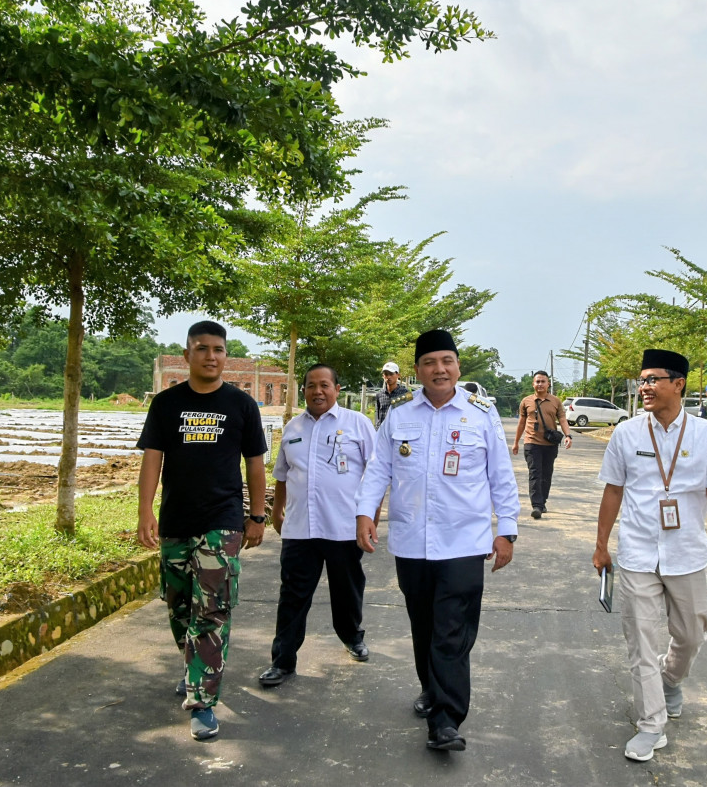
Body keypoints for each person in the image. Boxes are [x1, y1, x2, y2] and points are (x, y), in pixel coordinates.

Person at [356, 329, 520, 752]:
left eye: (446, 361)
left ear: (457, 367)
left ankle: (446, 720)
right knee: (423, 624)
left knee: (451, 629)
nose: (439, 369)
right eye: (430, 362)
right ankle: (432, 688)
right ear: (417, 371)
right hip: (412, 540)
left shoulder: (481, 415)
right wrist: (364, 513)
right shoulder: (399, 415)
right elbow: (378, 470)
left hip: (465, 541)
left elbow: (501, 476)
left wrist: (507, 530)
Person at [592, 349, 707, 763]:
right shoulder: (627, 433)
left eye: (654, 379)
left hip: (687, 552)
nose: (645, 387)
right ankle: (650, 724)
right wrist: (601, 545)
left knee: (691, 635)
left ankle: (670, 679)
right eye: (642, 380)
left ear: (679, 384)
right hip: (637, 551)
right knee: (640, 640)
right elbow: (613, 491)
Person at [136, 320, 268, 741]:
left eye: (219, 349)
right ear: (187, 354)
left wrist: (257, 516)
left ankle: (202, 701)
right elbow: (152, 459)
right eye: (202, 348)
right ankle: (196, 668)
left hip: (222, 523)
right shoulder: (166, 404)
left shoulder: (242, 405)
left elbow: (256, 464)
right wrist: (145, 511)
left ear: (225, 355)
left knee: (211, 612)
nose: (212, 356)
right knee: (177, 607)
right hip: (176, 521)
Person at [258, 364, 378, 687]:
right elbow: (282, 475)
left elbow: (377, 474)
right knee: (292, 597)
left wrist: (371, 517)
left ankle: (352, 636)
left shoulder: (358, 424)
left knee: (347, 591)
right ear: (304, 390)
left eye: (324, 385)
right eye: (311, 385)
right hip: (300, 531)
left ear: (337, 389)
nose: (317, 391)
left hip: (344, 529)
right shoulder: (293, 427)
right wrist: (277, 511)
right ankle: (282, 661)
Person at [512, 370, 572, 519]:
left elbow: (563, 419)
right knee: (535, 473)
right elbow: (521, 423)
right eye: (537, 381)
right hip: (531, 443)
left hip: (550, 444)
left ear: (548, 384)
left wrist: (568, 435)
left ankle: (542, 502)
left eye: (543, 381)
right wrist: (516, 443)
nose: (540, 384)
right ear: (533, 384)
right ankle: (536, 506)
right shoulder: (526, 401)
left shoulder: (556, 401)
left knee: (546, 475)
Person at [374, 361, 410, 430]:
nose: (388, 377)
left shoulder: (406, 393)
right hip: (382, 433)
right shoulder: (379, 394)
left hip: (399, 433)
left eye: (391, 374)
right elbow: (377, 414)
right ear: (383, 376)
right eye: (386, 374)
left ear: (398, 375)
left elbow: (410, 414)